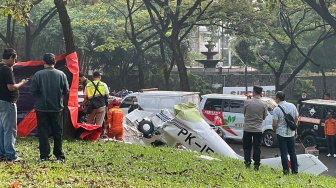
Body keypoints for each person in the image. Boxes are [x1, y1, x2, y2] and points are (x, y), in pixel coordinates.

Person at [30, 53, 69, 162]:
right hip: (57, 108)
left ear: (44, 62)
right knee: (57, 132)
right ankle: (59, 155)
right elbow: (66, 91)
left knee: (43, 132)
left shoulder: (38, 75)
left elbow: (33, 91)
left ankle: (44, 155)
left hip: (41, 108)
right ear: (54, 62)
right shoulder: (61, 75)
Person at [0, 48, 28, 162]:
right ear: (11, 58)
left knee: (2, 129)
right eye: (15, 60)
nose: (15, 62)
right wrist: (22, 82)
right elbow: (11, 87)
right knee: (10, 129)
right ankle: (11, 155)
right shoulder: (6, 69)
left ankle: (2, 152)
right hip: (8, 102)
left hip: (0, 101)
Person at [272, 91, 299, 175]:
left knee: (284, 153)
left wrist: (275, 130)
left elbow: (275, 123)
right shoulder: (292, 106)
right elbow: (296, 118)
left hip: (281, 134)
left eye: (275, 98)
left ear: (278, 98)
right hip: (291, 133)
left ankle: (286, 171)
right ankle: (295, 171)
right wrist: (294, 128)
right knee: (292, 152)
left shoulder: (276, 109)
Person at [243, 85, 267, 171]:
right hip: (258, 129)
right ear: (261, 93)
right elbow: (264, 117)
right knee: (257, 147)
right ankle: (256, 165)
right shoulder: (264, 104)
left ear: (253, 92)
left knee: (247, 146)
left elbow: (244, 114)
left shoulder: (247, 102)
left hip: (247, 128)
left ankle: (247, 162)